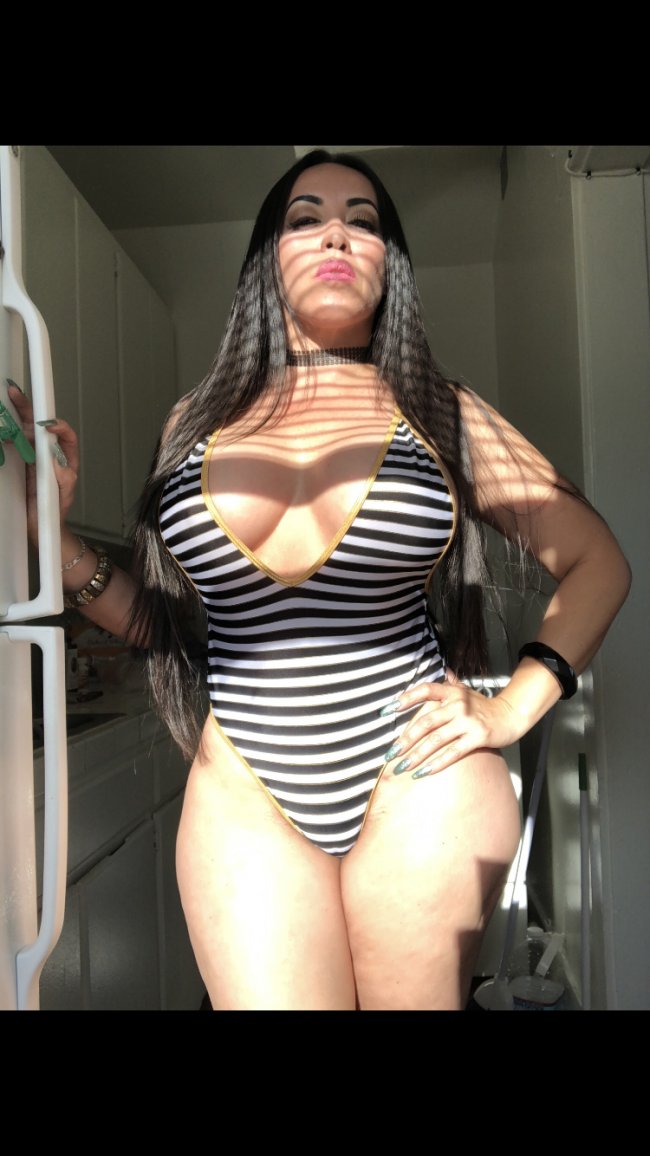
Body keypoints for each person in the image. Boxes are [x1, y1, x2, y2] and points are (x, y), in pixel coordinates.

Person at [8, 148, 631, 1011]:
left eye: (362, 222)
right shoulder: (194, 421)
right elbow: (162, 628)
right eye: (305, 218)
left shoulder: (444, 412)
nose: (336, 233)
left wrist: (513, 707)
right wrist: (49, 533)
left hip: (420, 778)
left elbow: (597, 561)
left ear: (388, 266)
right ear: (266, 261)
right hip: (246, 790)